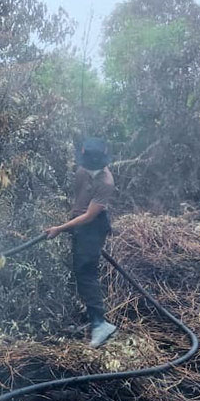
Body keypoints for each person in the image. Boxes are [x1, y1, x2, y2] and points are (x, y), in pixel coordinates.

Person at [44, 138, 118, 348]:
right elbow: (79, 200)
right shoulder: (82, 170)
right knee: (79, 271)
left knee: (86, 273)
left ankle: (100, 324)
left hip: (94, 226)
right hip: (80, 224)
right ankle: (90, 319)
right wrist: (71, 223)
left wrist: (60, 228)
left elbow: (89, 216)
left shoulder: (106, 182)